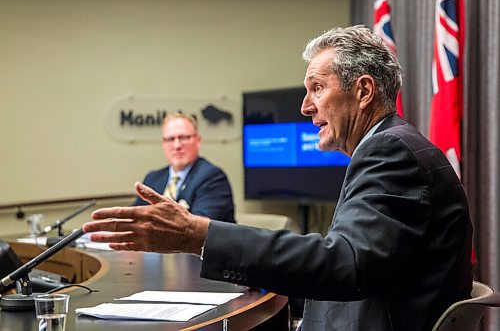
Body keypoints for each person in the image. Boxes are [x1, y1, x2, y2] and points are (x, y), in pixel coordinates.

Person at [83, 25, 473, 330]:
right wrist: (261, 271)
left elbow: (347, 264)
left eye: (317, 88)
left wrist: (199, 235)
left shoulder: (389, 151)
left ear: (364, 91)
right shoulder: (391, 144)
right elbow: (362, 263)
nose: (305, 107)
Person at [132, 112, 236, 223]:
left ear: (198, 141)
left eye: (184, 138)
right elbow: (134, 219)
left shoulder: (213, 178)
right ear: (163, 143)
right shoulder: (153, 179)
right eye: (171, 139)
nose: (177, 146)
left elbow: (197, 230)